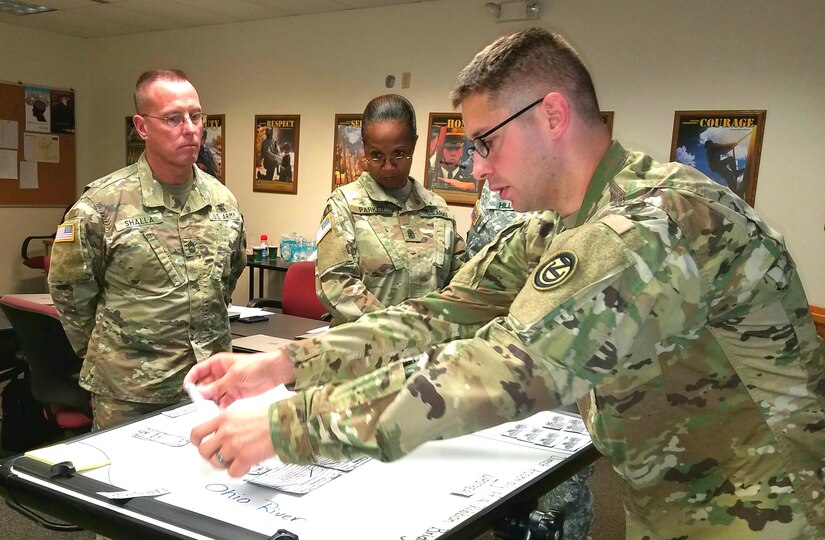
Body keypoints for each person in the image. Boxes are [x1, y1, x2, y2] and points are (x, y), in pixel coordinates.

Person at [187, 29, 825, 539]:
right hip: (675, 495)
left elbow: (502, 369)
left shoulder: (647, 225)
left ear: (551, 115)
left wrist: (287, 427)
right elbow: (442, 313)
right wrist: (285, 363)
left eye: (487, 142)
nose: (480, 169)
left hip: (761, 511)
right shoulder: (564, 225)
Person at [48, 69, 246, 429]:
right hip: (130, 392)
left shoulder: (222, 201)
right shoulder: (101, 205)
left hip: (209, 383)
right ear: (142, 127)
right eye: (173, 118)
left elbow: (227, 277)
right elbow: (69, 291)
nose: (190, 128)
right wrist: (115, 353)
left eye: (196, 116)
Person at [467, 180, 595, 540]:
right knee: (503, 498)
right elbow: (479, 270)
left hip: (562, 374)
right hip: (505, 370)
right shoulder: (493, 192)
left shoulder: (585, 193)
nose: (481, 165)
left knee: (561, 499)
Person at [314, 94, 466, 325]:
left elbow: (460, 283)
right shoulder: (345, 205)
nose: (388, 166)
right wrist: (396, 331)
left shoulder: (438, 210)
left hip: (429, 352)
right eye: (376, 155)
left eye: (399, 154)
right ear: (365, 148)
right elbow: (336, 284)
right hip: (365, 351)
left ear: (414, 144)